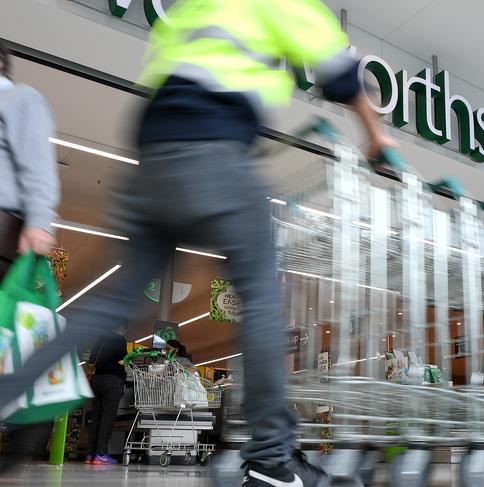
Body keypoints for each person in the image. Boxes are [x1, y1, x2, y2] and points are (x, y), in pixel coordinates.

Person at [0, 2, 395, 486]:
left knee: (116, 298)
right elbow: (340, 74)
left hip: (154, 152)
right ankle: (273, 460)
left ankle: (9, 392)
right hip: (216, 144)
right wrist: (376, 137)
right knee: (263, 297)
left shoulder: (194, 9)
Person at [0, 39, 58, 469]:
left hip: (5, 229)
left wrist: (39, 221)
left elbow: (37, 162)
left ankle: (28, 423)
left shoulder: (19, 98)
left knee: (11, 340)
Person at [85, 327, 127, 465]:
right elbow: (121, 360)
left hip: (97, 379)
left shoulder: (99, 340)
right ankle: (101, 454)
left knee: (96, 417)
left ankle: (90, 454)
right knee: (107, 417)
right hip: (113, 379)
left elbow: (91, 360)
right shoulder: (119, 340)